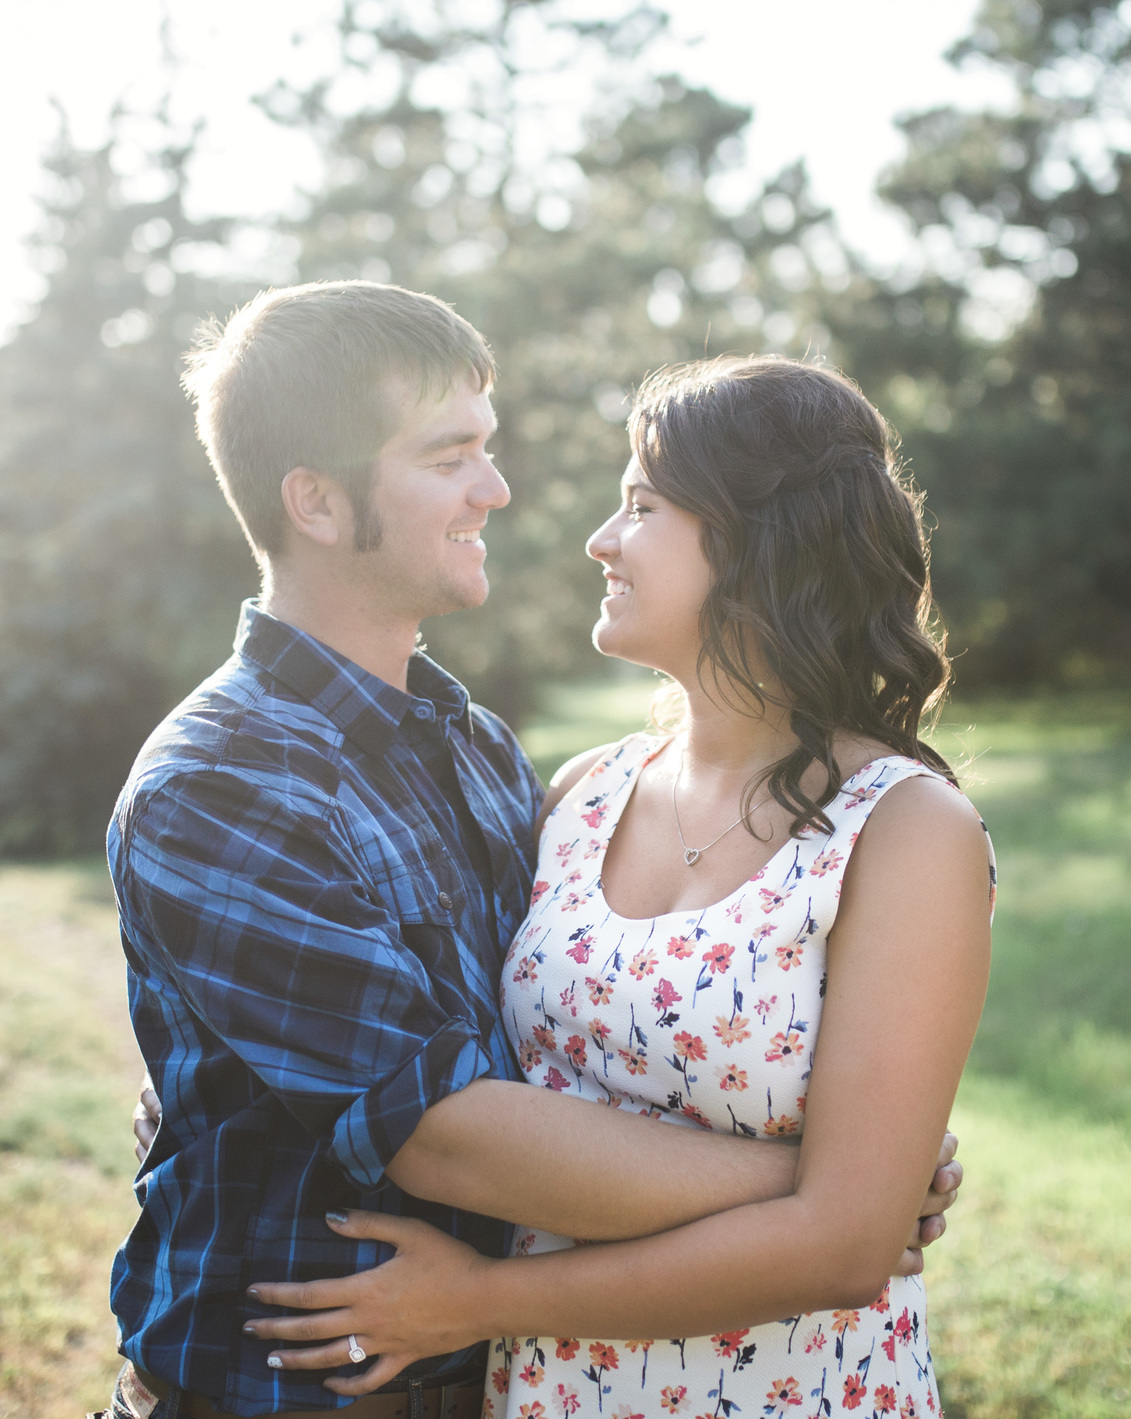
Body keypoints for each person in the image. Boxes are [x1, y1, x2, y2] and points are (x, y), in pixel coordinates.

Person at [103, 286, 962, 1419]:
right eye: (448, 455)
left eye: (486, 448)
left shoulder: (480, 756)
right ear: (315, 500)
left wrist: (861, 1176)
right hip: (291, 1395)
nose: (496, 490)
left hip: (510, 1381)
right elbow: (449, 1134)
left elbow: (541, 1043)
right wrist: (839, 1183)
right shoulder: (222, 784)